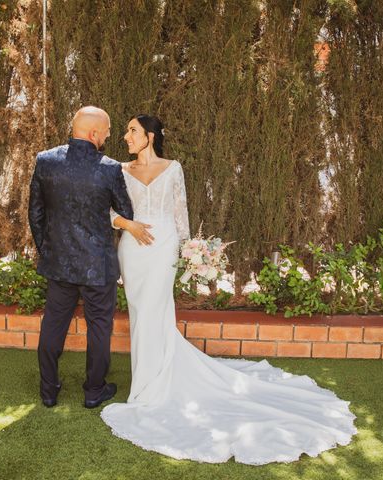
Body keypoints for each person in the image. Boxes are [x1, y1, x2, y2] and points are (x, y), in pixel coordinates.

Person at [101, 114, 357, 465]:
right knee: (139, 312)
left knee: (156, 311)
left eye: (132, 131)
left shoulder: (173, 168)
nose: (126, 136)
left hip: (163, 248)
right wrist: (126, 224)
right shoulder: (119, 169)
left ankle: (152, 388)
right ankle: (147, 379)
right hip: (132, 247)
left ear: (149, 136)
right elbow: (106, 209)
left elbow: (181, 214)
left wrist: (190, 252)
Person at [28, 106, 144, 409]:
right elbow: (126, 213)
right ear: (94, 133)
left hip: (59, 263)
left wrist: (49, 250)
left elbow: (35, 213)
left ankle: (48, 391)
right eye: (106, 131)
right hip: (98, 264)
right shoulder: (108, 168)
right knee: (99, 327)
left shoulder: (46, 161)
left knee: (53, 325)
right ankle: (94, 391)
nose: (108, 136)